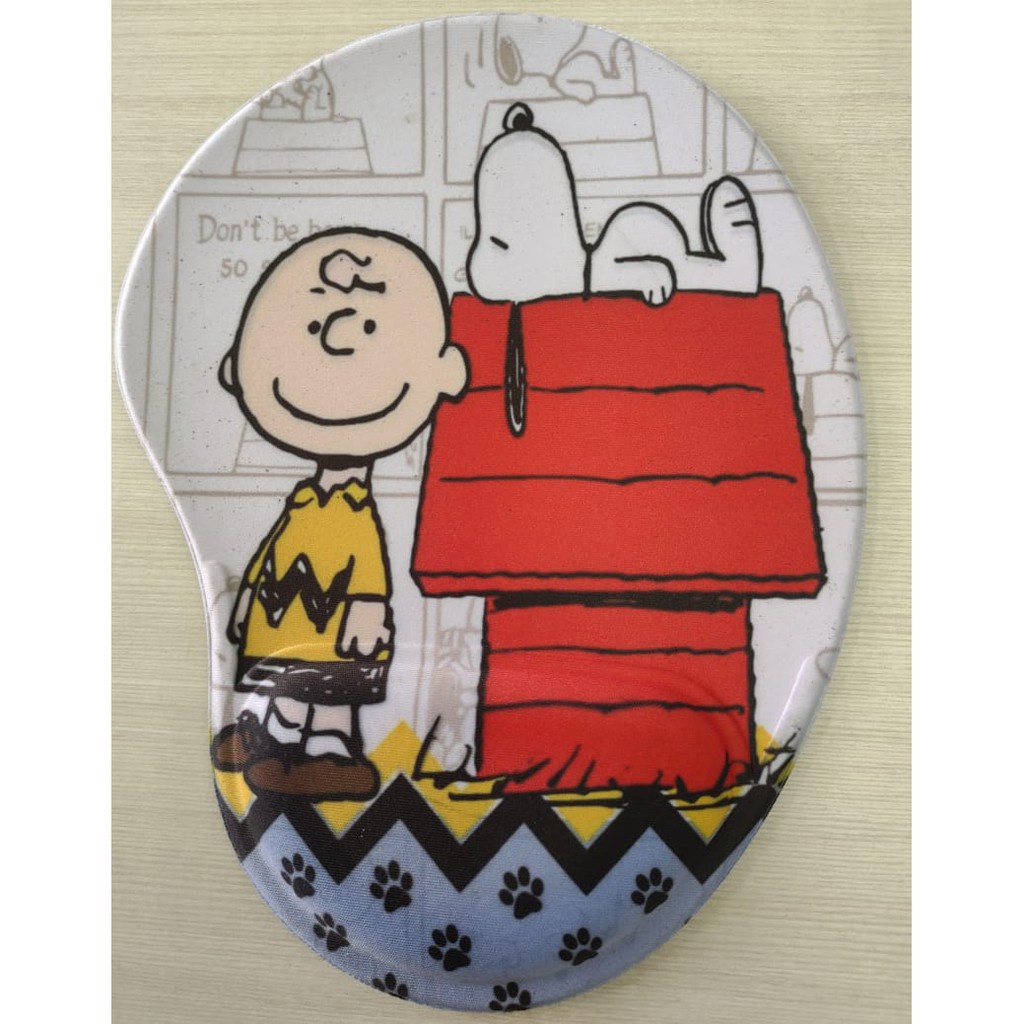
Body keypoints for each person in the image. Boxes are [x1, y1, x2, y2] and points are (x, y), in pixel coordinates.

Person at [212, 227, 468, 800]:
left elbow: (367, 563)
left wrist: (369, 610)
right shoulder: (303, 501)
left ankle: (331, 755)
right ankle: (273, 737)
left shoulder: (356, 511)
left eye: (369, 327)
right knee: (288, 679)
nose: (339, 338)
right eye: (313, 327)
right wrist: (248, 598)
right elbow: (274, 551)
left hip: (338, 626)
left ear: (446, 372)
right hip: (285, 616)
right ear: (236, 368)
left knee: (329, 693)